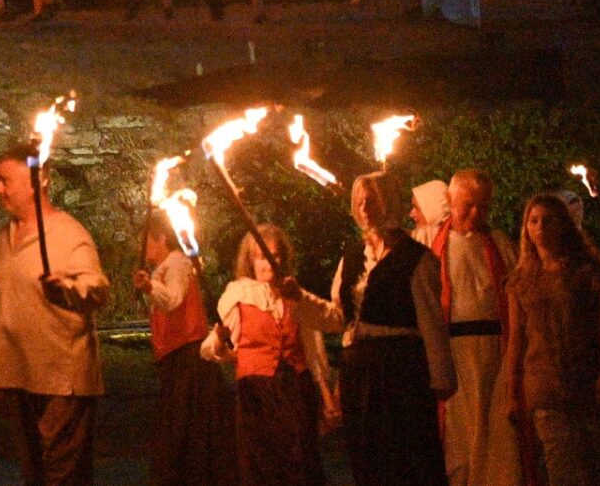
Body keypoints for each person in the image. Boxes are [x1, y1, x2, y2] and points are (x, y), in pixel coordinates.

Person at [0, 144, 109, 486]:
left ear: (36, 182)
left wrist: (68, 290)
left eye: (5, 181)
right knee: (35, 476)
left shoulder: (68, 234)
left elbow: (97, 288)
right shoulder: (4, 237)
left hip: (61, 379)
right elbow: (7, 307)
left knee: (63, 476)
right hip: (20, 375)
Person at [326, 170, 455, 486]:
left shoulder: (417, 259)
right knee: (368, 459)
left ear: (388, 202)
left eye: (371, 201)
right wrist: (297, 298)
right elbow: (338, 317)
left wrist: (441, 378)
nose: (364, 209)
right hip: (359, 373)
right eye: (359, 202)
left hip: (400, 372)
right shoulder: (352, 257)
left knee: (405, 458)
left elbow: (431, 322)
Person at [200, 226, 337, 486]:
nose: (268, 263)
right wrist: (219, 339)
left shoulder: (293, 293)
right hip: (257, 396)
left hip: (296, 391)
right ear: (250, 261)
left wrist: (326, 396)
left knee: (300, 465)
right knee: (263, 468)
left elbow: (313, 347)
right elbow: (214, 348)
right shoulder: (238, 295)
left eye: (274, 255)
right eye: (261, 257)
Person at [503, 193, 600, 486]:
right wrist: (512, 391)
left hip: (584, 379)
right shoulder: (521, 281)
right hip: (545, 384)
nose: (540, 227)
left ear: (562, 225)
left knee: (595, 465)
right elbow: (516, 338)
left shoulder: (583, 273)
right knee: (561, 467)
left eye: (547, 220)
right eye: (533, 221)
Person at [424, 169, 519, 486]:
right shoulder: (432, 246)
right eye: (469, 205)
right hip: (454, 356)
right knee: (460, 436)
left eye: (483, 205)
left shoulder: (499, 244)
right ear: (450, 200)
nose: (476, 213)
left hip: (495, 353)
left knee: (495, 435)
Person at [135, 212, 237, 486]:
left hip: (190, 362)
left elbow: (174, 299)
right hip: (175, 362)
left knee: (190, 437)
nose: (142, 248)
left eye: (146, 241)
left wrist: (151, 287)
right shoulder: (162, 269)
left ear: (161, 239)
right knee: (179, 437)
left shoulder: (177, 263)